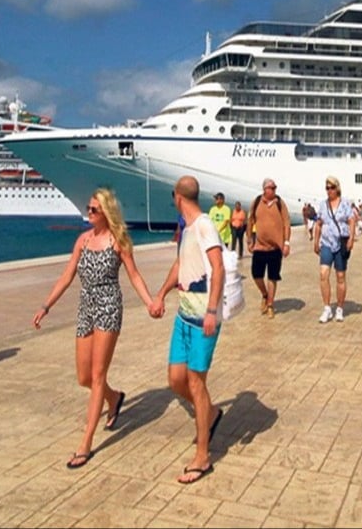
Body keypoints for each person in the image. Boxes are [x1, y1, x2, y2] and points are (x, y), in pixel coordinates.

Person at [32, 188, 159, 470]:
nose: (88, 213)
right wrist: (46, 306)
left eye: (93, 210)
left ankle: (86, 442)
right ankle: (114, 399)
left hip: (109, 305)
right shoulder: (83, 240)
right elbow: (67, 276)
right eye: (88, 208)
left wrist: (150, 303)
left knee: (98, 374)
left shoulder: (118, 242)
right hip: (86, 306)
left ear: (106, 213)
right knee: (83, 376)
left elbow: (134, 275)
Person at [151, 175, 225, 485]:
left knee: (195, 382)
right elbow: (181, 266)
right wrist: (161, 293)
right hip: (183, 316)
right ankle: (210, 412)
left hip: (203, 319)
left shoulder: (205, 225)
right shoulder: (187, 228)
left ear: (178, 197)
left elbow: (218, 266)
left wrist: (211, 310)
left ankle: (203, 456)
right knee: (175, 379)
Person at [312, 175, 357, 323]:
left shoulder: (345, 203)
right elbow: (318, 223)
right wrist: (316, 241)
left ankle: (339, 308)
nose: (329, 191)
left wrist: (351, 238)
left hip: (341, 244)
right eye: (327, 188)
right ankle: (326, 308)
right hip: (326, 244)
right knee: (323, 274)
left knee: (340, 277)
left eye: (331, 187)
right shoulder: (323, 205)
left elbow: (351, 220)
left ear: (337, 188)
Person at [246, 177, 291, 317]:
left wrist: (286, 243)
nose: (274, 190)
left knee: (272, 277)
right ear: (264, 189)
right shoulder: (257, 202)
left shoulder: (280, 203)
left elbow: (286, 222)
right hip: (259, 247)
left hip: (275, 248)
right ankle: (265, 294)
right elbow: (250, 220)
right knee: (256, 275)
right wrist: (249, 240)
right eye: (271, 187)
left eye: (275, 187)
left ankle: (270, 304)